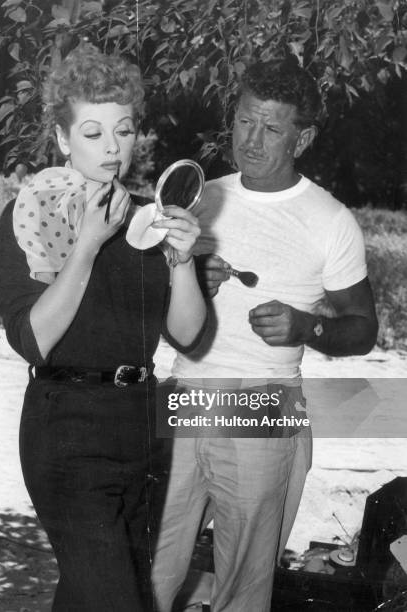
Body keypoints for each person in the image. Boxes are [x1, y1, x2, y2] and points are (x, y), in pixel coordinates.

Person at [152, 58, 378, 612]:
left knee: (243, 587)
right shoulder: (202, 197)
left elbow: (363, 329)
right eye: (245, 121)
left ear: (303, 137)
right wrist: (187, 280)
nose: (252, 140)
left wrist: (308, 326)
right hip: (185, 394)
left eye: (272, 128)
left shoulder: (330, 219)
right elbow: (159, 310)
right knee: (147, 568)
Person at [0, 46, 207, 612]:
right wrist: (86, 243)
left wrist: (183, 261)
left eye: (124, 130)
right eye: (92, 132)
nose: (112, 147)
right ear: (63, 139)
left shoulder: (149, 216)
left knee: (91, 596)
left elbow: (188, 335)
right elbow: (31, 339)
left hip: (138, 428)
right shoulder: (30, 213)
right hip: (66, 430)